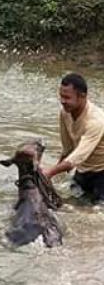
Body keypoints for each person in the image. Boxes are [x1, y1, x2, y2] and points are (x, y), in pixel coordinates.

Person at [43, 73, 104, 202]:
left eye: (67, 97)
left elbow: (78, 157)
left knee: (95, 213)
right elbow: (68, 149)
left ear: (82, 96)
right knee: (71, 203)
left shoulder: (96, 121)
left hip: (101, 173)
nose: (62, 101)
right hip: (82, 171)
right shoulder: (65, 113)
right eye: (61, 96)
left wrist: (49, 172)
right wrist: (52, 177)